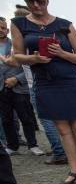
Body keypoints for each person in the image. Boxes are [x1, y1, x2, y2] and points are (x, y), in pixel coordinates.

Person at [11, 0, 76, 184]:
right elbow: (17, 56)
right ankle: (75, 171)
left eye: (40, 1)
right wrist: (33, 58)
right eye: (31, 1)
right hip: (46, 83)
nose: (36, 5)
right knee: (62, 129)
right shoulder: (19, 23)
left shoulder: (64, 24)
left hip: (70, 81)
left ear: (47, 0)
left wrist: (61, 53)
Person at [12, 5, 66, 165]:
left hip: (38, 83)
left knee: (47, 120)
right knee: (62, 118)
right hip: (53, 80)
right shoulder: (39, 35)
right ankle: (69, 148)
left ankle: (59, 151)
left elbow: (17, 60)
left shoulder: (26, 38)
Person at [0, 17, 44, 157]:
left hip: (19, 87)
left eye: (2, 27)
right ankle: (12, 146)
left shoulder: (17, 45)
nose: (0, 30)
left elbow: (30, 67)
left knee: (26, 118)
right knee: (6, 120)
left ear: (7, 29)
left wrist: (17, 79)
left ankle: (33, 145)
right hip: (1, 89)